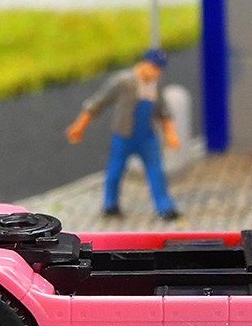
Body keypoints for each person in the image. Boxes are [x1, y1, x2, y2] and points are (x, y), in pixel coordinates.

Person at [66, 49, 181, 220]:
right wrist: (79, 125)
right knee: (115, 171)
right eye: (153, 67)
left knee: (156, 171)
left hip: (147, 137)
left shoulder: (155, 85)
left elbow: (163, 111)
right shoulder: (123, 82)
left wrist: (170, 133)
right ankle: (110, 204)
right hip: (124, 136)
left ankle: (164, 207)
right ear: (143, 63)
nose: (155, 72)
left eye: (158, 69)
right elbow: (98, 102)